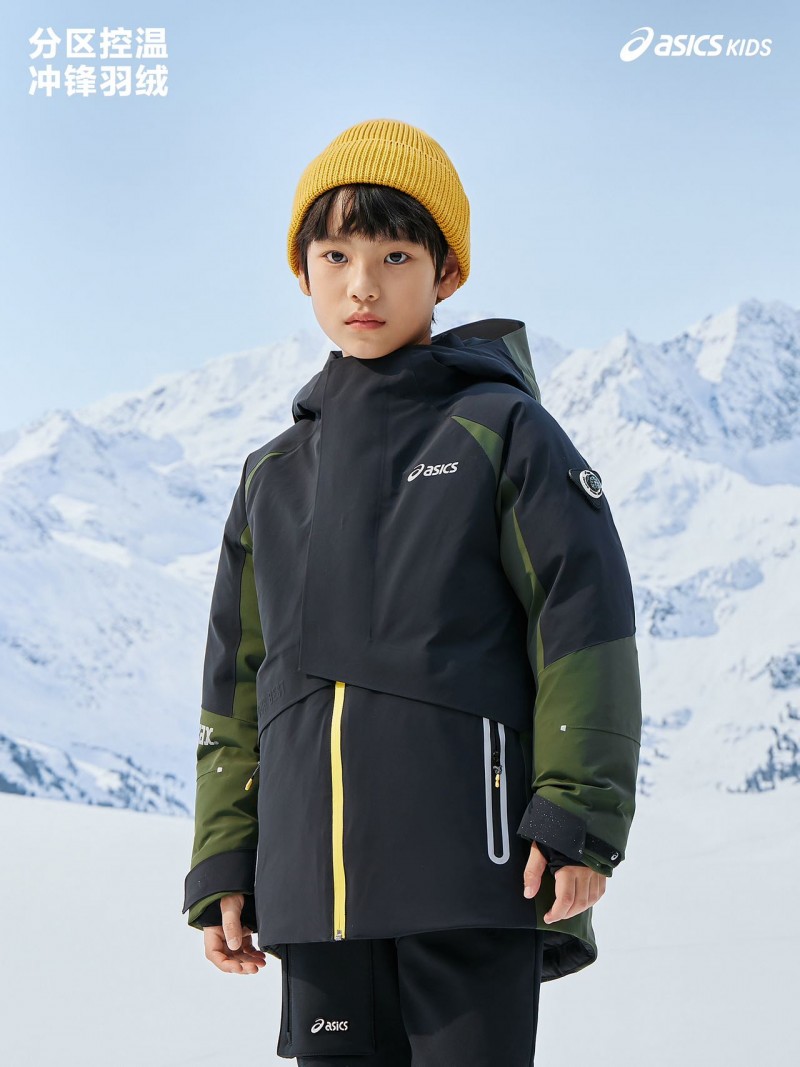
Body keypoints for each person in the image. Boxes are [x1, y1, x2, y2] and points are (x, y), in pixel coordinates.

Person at [182, 118, 642, 1065]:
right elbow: (237, 687)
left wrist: (577, 817)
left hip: (474, 874)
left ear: (446, 273)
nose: (364, 284)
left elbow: (582, 624)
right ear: (302, 272)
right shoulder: (272, 477)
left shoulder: (502, 431)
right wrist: (226, 855)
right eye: (336, 255)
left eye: (395, 255)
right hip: (316, 896)